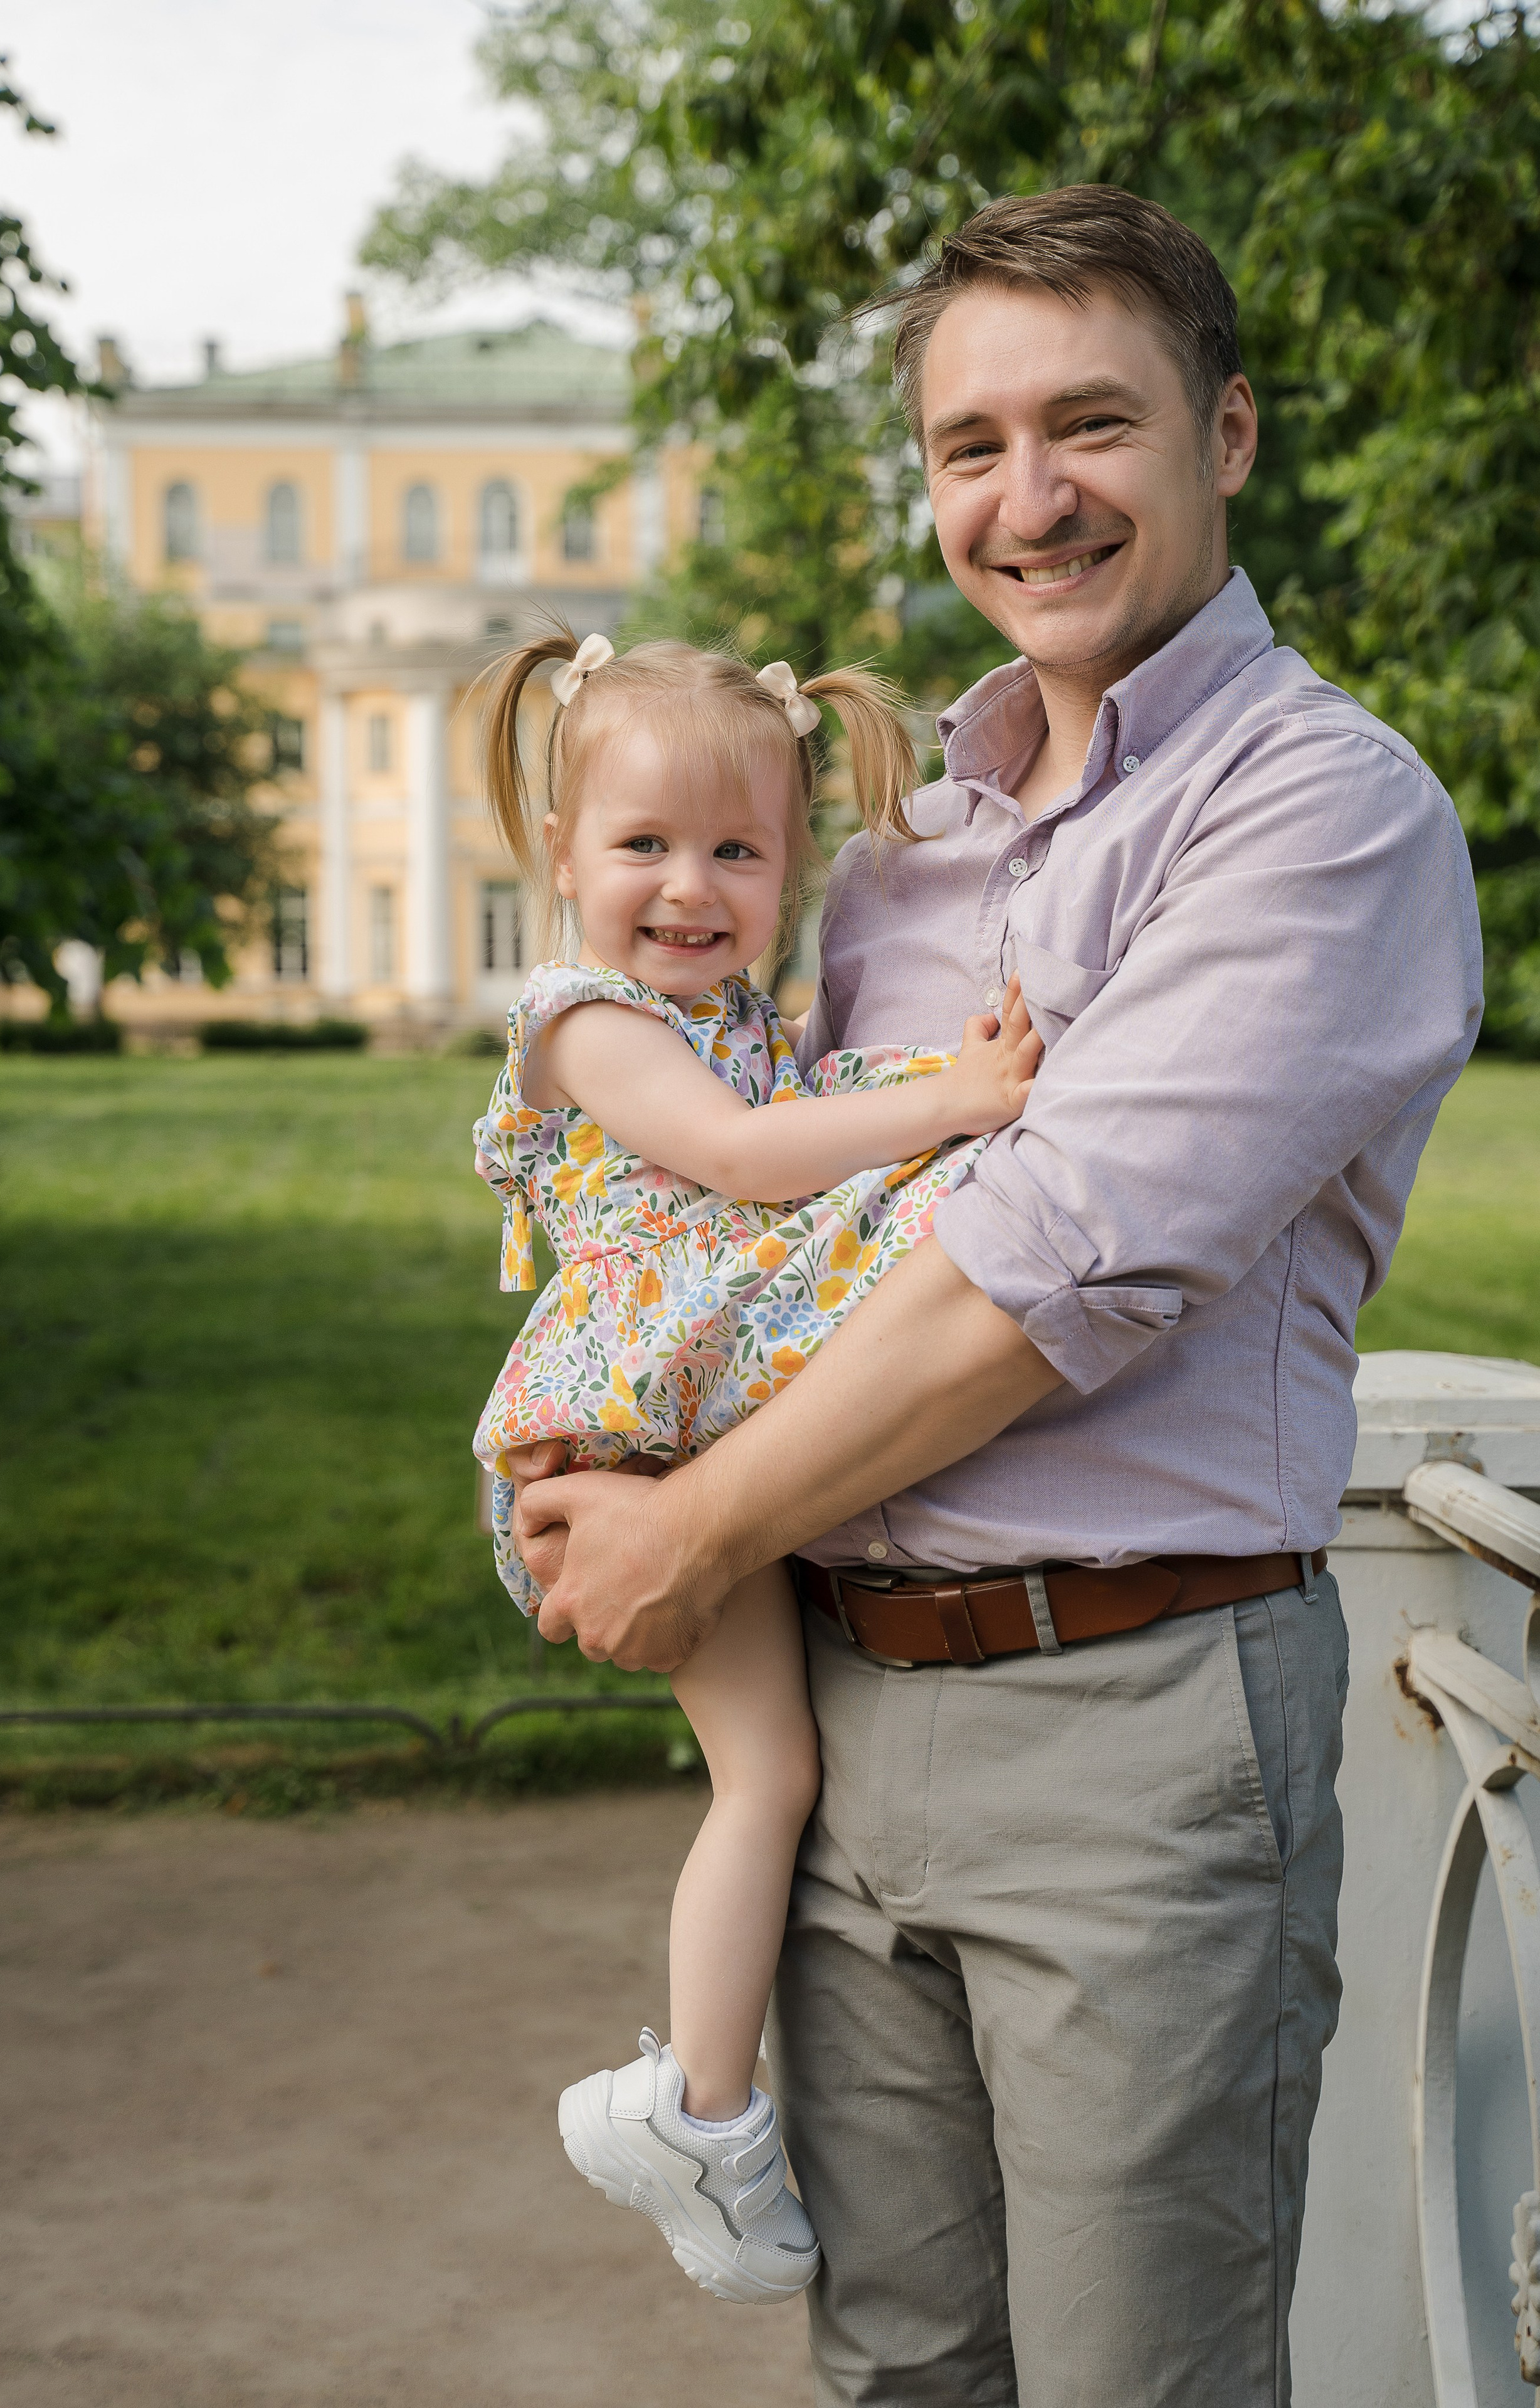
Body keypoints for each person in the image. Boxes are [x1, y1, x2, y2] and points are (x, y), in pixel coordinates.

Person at [507, 186, 1484, 2405]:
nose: (1027, 501)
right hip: (847, 1709)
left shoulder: (1320, 812)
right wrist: (600, 1428)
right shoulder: (886, 860)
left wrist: (687, 1526)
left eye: (1090, 426)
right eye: (970, 446)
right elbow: (740, 1220)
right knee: (901, 2374)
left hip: (1130, 1737)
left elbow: (1037, 1282)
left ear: (1225, 435)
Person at [471, 625, 1042, 2305]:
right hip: (629, 1442)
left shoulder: (733, 1022)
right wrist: (959, 1095)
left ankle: (700, 2104)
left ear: (790, 870)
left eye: (737, 849)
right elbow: (744, 1156)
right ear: (561, 856)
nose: (687, 885)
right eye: (642, 845)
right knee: (767, 1779)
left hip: (690, 1422)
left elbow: (797, 1106)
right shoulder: (586, 1023)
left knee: (776, 1774)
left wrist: (921, 1073)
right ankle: (698, 2110)